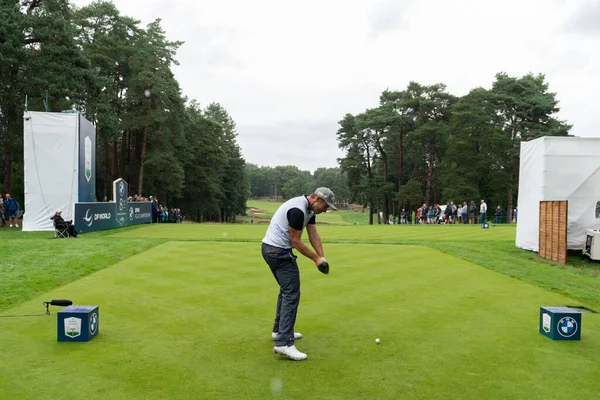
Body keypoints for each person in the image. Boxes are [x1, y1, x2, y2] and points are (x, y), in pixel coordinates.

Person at [261, 187, 336, 361]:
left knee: (286, 291)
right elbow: (295, 241)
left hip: (272, 250)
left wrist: (321, 256)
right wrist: (316, 259)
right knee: (291, 294)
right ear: (317, 199)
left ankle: (279, 331)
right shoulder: (297, 210)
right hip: (278, 252)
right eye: (325, 206)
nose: (326, 210)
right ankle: (283, 343)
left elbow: (313, 234)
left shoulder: (309, 210)